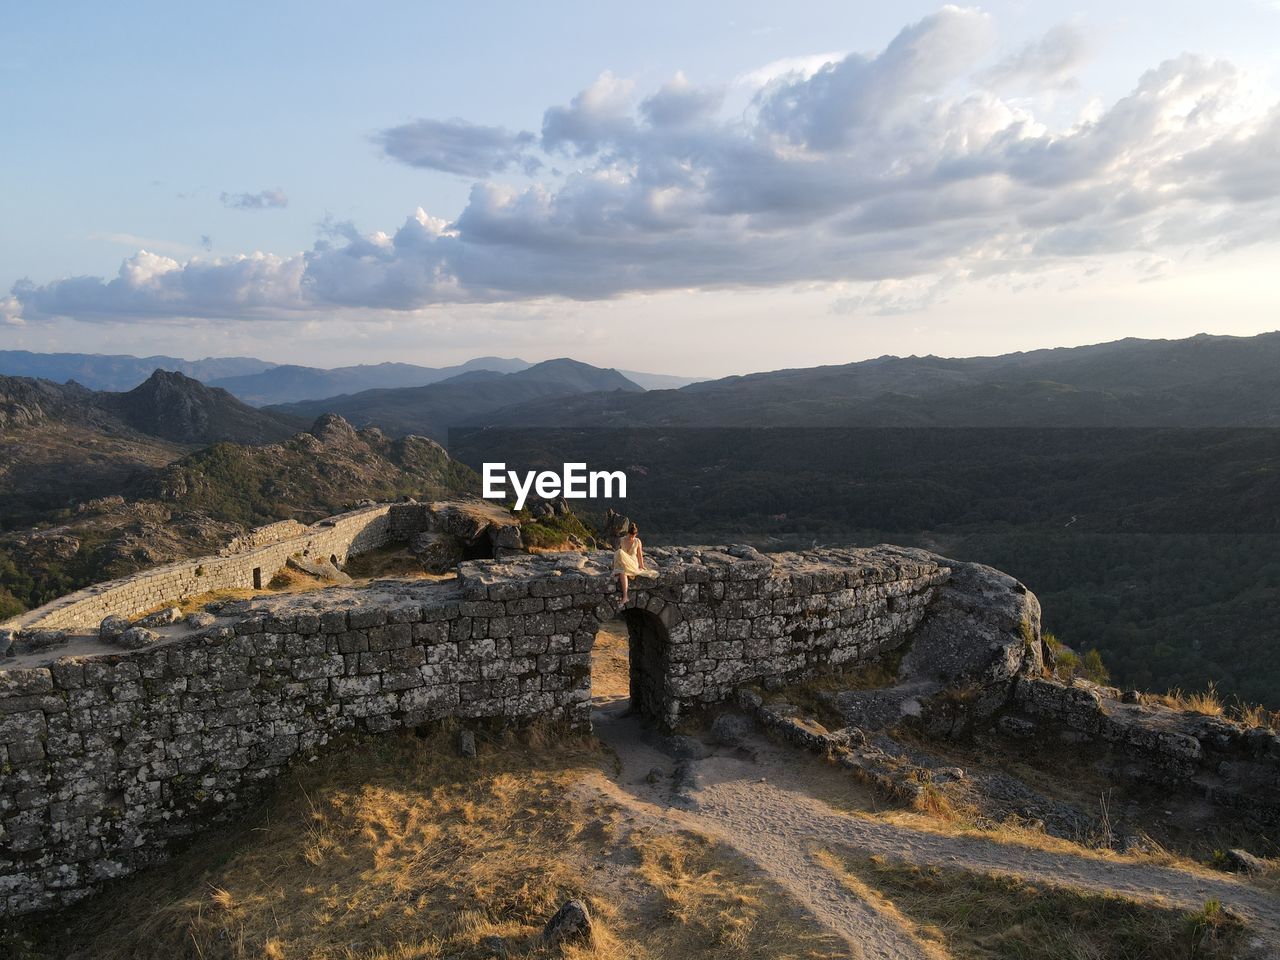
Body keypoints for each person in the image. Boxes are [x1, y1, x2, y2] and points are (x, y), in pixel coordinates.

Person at [612, 521, 655, 602]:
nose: (632, 538)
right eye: (630, 536)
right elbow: (617, 555)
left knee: (621, 564)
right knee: (619, 553)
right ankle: (625, 597)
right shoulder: (621, 540)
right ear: (628, 533)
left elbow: (639, 554)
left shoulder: (637, 541)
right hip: (623, 562)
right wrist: (613, 564)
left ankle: (625, 596)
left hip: (632, 563)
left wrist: (641, 566)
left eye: (633, 536)